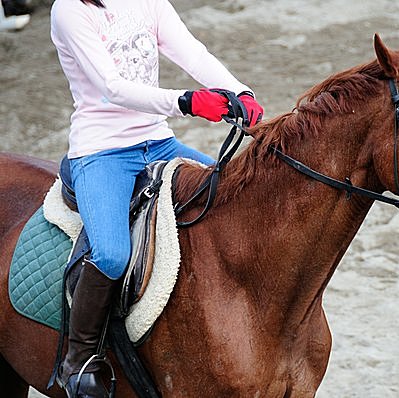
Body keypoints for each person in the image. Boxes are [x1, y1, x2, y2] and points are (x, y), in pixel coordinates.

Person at [50, 0, 263, 396]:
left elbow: (191, 51)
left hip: (159, 143)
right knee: (112, 253)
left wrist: (240, 91)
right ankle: (77, 361)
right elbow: (111, 87)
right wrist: (186, 102)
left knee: (236, 196)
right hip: (101, 151)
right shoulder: (69, 10)